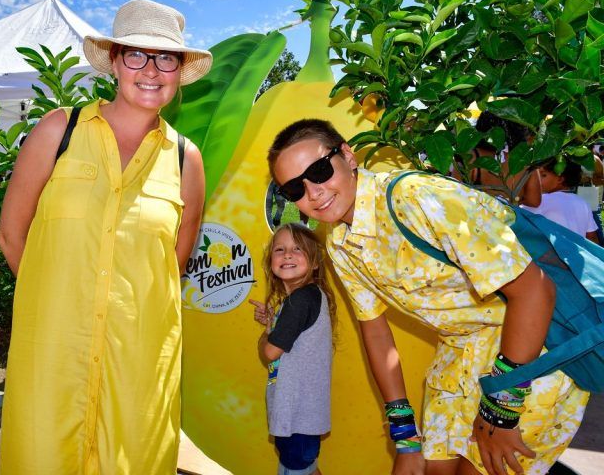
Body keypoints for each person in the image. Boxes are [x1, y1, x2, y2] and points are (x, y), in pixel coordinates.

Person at [267, 119, 589, 475]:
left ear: (348, 155)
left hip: (526, 352)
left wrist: (502, 407)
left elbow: (535, 288)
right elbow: (375, 332)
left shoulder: (416, 197)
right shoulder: (339, 243)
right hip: (457, 357)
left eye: (320, 170)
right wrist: (404, 436)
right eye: (295, 188)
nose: (312, 193)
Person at [0, 0, 211, 474]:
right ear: (114, 61)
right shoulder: (60, 130)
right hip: (52, 356)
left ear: (179, 71)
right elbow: (12, 234)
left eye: (165, 58)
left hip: (138, 362)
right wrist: (55, 303)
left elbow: (174, 261)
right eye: (135, 54)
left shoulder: (186, 159)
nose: (150, 70)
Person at [250, 223, 336, 475]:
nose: (287, 254)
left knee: (296, 468)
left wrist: (264, 338)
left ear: (316, 262)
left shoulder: (300, 300)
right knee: (307, 468)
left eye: (297, 248)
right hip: (302, 414)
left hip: (298, 415)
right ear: (271, 262)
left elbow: (270, 352)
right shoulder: (305, 298)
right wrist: (271, 324)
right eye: (280, 249)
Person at [456, 111, 541, 207]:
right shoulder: (526, 160)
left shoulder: (471, 156)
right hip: (507, 220)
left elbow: (454, 191)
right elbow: (534, 201)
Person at [523, 160, 600, 245]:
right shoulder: (582, 202)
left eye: (543, 175)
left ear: (560, 179)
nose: (538, 179)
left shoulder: (540, 202)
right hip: (576, 255)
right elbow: (591, 236)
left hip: (551, 256)